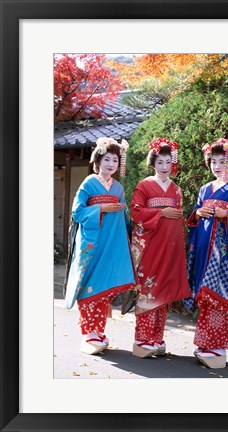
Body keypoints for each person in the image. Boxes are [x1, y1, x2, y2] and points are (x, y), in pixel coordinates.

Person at [184, 138, 228, 368]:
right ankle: (204, 345)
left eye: (222, 161)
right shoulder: (205, 189)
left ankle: (218, 348)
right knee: (206, 298)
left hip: (225, 255)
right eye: (213, 161)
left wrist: (227, 216)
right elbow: (195, 217)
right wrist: (197, 214)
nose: (217, 166)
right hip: (206, 252)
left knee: (221, 298)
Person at [65, 137, 136, 355]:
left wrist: (129, 238)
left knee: (104, 288)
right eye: (107, 159)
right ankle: (88, 334)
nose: (111, 164)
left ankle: (98, 331)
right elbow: (77, 212)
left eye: (115, 160)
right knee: (89, 286)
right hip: (92, 243)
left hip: (112, 243)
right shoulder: (88, 183)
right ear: (98, 160)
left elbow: (124, 219)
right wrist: (102, 208)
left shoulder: (118, 188)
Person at [130, 137, 191, 358]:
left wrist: (177, 250)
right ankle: (142, 339)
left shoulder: (176, 190)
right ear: (153, 164)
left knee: (163, 293)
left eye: (168, 163)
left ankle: (157, 339)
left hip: (169, 247)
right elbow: (135, 211)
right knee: (148, 291)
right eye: (160, 163)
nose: (164, 168)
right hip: (150, 247)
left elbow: (179, 221)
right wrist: (161, 213)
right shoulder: (144, 186)